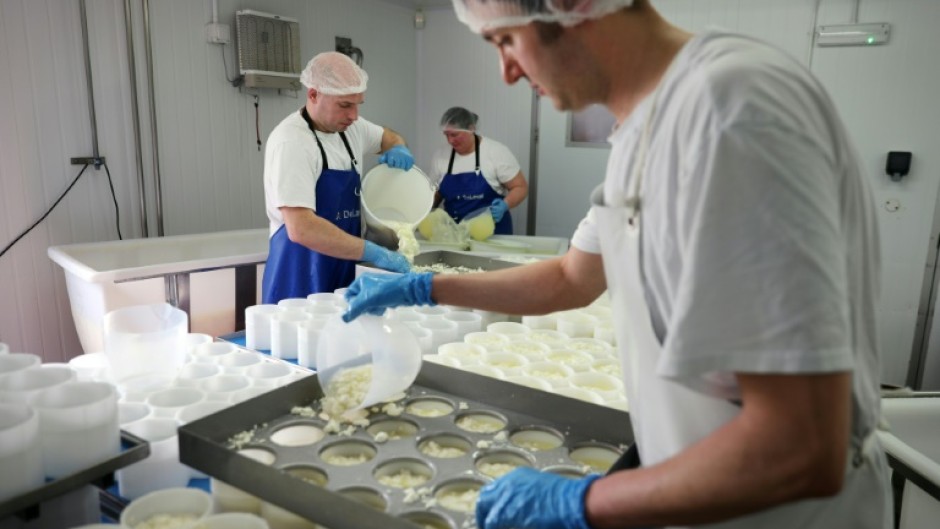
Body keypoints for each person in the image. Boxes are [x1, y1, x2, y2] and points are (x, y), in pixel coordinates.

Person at [342, 1, 892, 529]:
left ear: (573, 5)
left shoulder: (730, 111)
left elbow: (803, 444)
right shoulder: (641, 133)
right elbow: (570, 278)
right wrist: (427, 288)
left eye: (506, 40)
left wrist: (588, 501)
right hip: (699, 493)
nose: (506, 71)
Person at [261, 51, 415, 304]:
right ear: (313, 95)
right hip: (299, 272)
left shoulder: (351, 128)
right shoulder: (292, 142)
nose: (354, 116)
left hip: (344, 265)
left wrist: (399, 146)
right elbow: (301, 228)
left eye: (357, 105)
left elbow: (389, 137)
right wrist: (373, 252)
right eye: (344, 105)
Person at [430, 107, 528, 234]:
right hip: (454, 235)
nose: (450, 140)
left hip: (492, 234)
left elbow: (520, 187)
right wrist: (427, 211)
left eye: (454, 134)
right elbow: (435, 192)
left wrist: (505, 205)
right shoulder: (441, 155)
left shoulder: (496, 152)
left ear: (471, 129)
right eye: (446, 135)